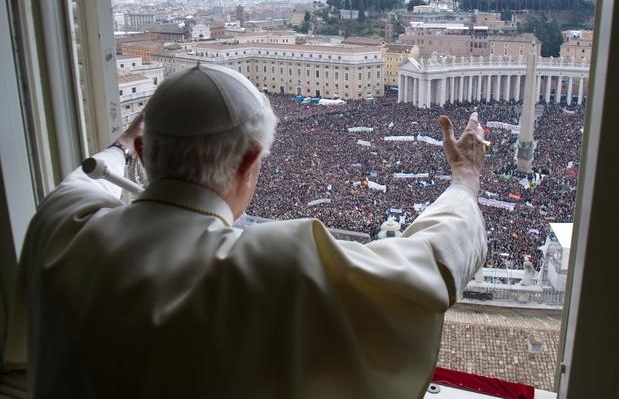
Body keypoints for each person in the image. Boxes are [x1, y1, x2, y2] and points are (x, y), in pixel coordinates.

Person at [5, 63, 487, 398]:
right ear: (250, 162)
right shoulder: (277, 265)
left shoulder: (60, 226)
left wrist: (119, 147)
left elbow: (79, 181)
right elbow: (432, 266)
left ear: (146, 153)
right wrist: (465, 181)